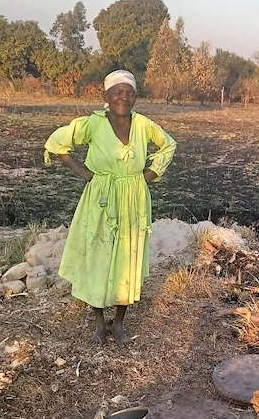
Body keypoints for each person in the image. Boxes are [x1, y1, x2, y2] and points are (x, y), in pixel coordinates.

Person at [44, 70, 176, 345]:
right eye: (118, 91)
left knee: (127, 259)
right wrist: (84, 173)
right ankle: (99, 323)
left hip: (133, 199)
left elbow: (168, 145)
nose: (123, 97)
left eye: (129, 92)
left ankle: (118, 323)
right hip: (100, 199)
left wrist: (147, 176)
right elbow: (58, 142)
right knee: (99, 256)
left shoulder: (143, 125)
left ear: (135, 97)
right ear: (106, 95)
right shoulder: (92, 124)